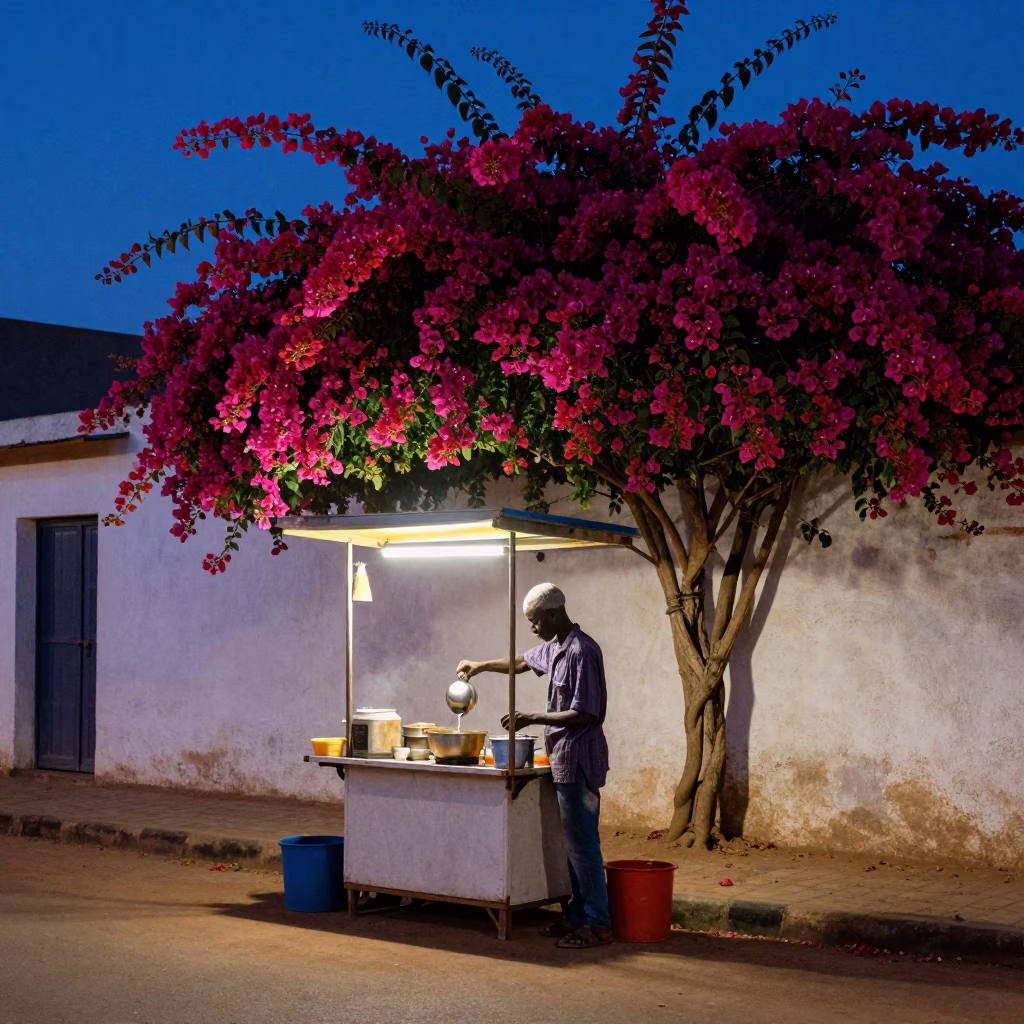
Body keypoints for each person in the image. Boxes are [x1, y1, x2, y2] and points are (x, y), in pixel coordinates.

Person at [457, 582, 613, 948]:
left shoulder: (582, 652)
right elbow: (523, 662)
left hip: (580, 760)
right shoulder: (554, 648)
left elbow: (586, 711)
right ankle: (576, 918)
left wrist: (531, 717)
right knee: (572, 845)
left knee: (583, 845)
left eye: (535, 621)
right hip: (563, 759)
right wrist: (479, 666)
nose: (533, 628)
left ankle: (598, 923)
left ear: (553, 614)